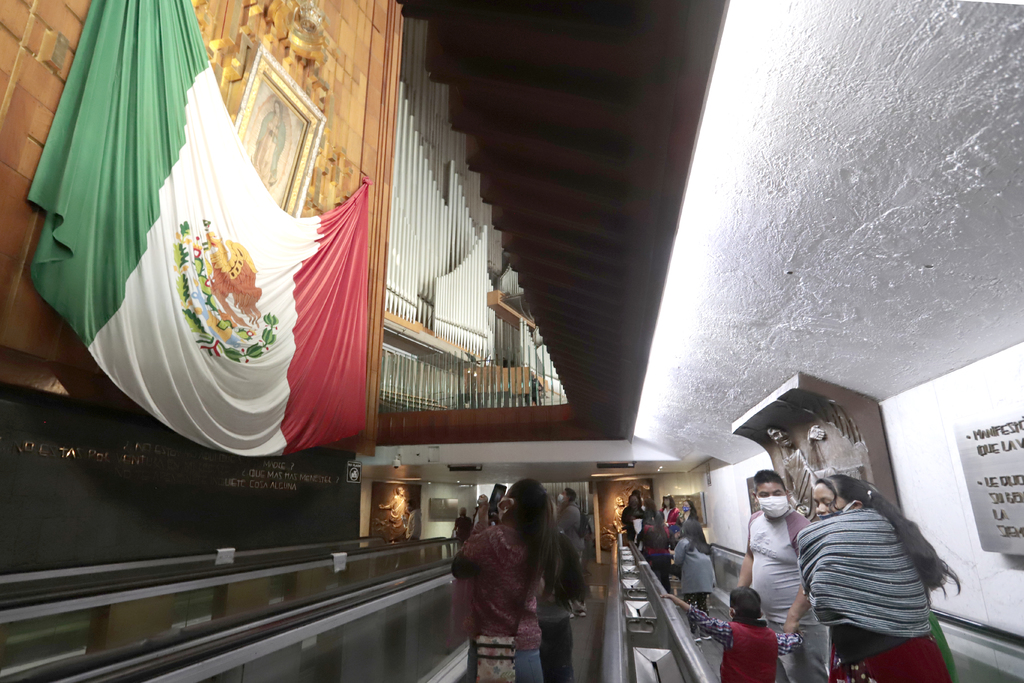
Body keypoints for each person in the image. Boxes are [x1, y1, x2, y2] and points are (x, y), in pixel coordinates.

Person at [785, 475, 960, 683]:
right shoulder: (888, 531)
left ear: (855, 506)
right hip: (901, 645)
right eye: (817, 503)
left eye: (826, 502)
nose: (820, 510)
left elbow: (822, 601)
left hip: (887, 653)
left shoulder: (849, 545)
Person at [452, 479, 560, 683]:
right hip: (527, 651)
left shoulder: (493, 538)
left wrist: (481, 522)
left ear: (508, 504)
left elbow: (459, 565)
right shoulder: (541, 539)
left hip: (492, 652)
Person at [739, 469, 828, 683]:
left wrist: (793, 618)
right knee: (776, 676)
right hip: (765, 620)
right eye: (765, 494)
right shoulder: (755, 520)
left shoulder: (801, 528)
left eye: (777, 493)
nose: (771, 498)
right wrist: (739, 596)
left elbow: (813, 577)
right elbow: (750, 556)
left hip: (799, 622)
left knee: (807, 677)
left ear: (787, 494)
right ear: (755, 497)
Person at [663, 587, 804, 683]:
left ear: (731, 612)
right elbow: (793, 641)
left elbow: (705, 622)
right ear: (760, 614)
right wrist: (799, 634)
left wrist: (678, 601)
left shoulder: (730, 632)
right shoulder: (774, 638)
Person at [538, 534, 586, 683]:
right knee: (561, 671)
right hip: (558, 628)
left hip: (543, 627)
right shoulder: (561, 544)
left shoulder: (540, 546)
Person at [671, 518, 715, 616]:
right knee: (702, 606)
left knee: (690, 607)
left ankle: (693, 624)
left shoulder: (684, 542)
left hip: (692, 581)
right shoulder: (703, 544)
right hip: (706, 581)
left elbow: (678, 560)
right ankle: (705, 623)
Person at [556, 488, 586, 617]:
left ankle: (574, 605)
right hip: (573, 547)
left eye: (563, 493)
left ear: (568, 497)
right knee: (572, 575)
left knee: (569, 576)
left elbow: (558, 526)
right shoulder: (570, 509)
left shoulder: (570, 510)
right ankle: (576, 604)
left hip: (571, 548)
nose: (560, 495)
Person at [641, 511, 672, 592]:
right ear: (663, 519)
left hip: (652, 557)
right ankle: (667, 597)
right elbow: (672, 544)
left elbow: (640, 539)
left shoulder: (647, 529)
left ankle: (657, 596)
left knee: (654, 580)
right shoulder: (667, 530)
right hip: (666, 558)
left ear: (653, 518)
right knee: (665, 580)